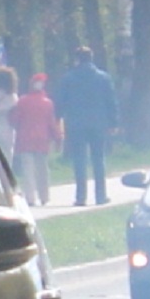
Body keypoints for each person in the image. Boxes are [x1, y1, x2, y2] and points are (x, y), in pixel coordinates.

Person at [53, 46, 119, 206]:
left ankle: (81, 197)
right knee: (98, 159)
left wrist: (58, 118)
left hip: (76, 124)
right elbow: (111, 101)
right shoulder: (103, 78)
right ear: (91, 58)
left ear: (77, 59)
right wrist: (114, 122)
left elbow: (60, 101)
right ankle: (100, 195)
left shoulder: (68, 78)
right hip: (98, 123)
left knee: (79, 160)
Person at [8, 72, 62, 206]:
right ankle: (44, 197)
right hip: (42, 140)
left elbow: (15, 119)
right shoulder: (48, 103)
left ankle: (30, 198)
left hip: (25, 139)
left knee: (28, 170)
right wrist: (58, 138)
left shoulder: (22, 101)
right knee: (43, 169)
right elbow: (51, 123)